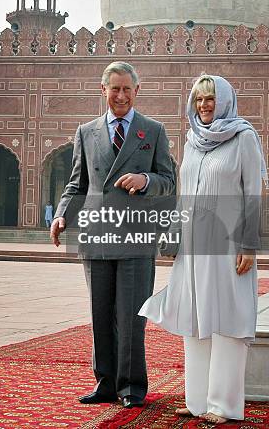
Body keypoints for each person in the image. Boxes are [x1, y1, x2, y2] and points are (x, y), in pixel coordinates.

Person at [139, 74, 267, 425]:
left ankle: (224, 405)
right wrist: (174, 233)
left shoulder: (243, 138)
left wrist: (249, 245)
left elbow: (253, 194)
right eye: (198, 99)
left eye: (210, 98)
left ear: (224, 100)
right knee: (195, 320)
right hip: (194, 246)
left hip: (228, 245)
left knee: (227, 320)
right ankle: (197, 401)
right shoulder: (192, 140)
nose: (204, 105)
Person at [50, 61, 175, 409]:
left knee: (131, 316)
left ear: (137, 92)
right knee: (100, 312)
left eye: (126, 89)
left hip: (136, 236)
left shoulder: (152, 131)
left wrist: (145, 181)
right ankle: (105, 382)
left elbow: (168, 181)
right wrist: (61, 215)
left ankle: (132, 386)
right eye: (114, 88)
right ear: (103, 90)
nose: (120, 95)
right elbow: (78, 184)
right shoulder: (86, 132)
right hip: (97, 234)